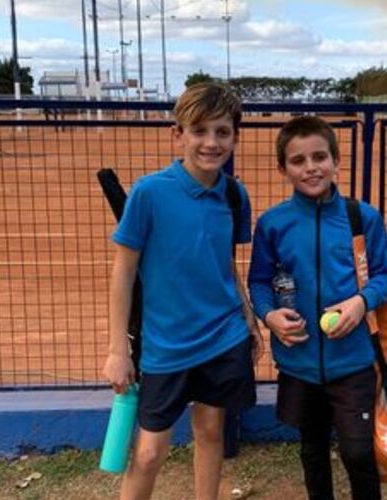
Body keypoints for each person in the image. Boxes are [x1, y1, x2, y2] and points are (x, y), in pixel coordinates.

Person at [102, 82, 263, 500]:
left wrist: (247, 313)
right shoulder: (149, 193)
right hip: (165, 345)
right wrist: (118, 350)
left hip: (223, 336)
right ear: (178, 135)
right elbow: (123, 272)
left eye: (222, 132)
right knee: (149, 452)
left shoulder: (234, 194)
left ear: (235, 137)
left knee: (210, 431)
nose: (211, 142)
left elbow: (223, 260)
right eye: (199, 131)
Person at [248, 116, 387, 500]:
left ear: (336, 161)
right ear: (283, 168)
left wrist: (360, 302)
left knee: (358, 452)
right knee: (312, 449)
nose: (311, 167)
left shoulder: (362, 217)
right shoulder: (273, 224)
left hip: (353, 361)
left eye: (319, 157)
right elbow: (259, 282)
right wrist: (269, 316)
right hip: (298, 362)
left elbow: (386, 275)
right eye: (298, 160)